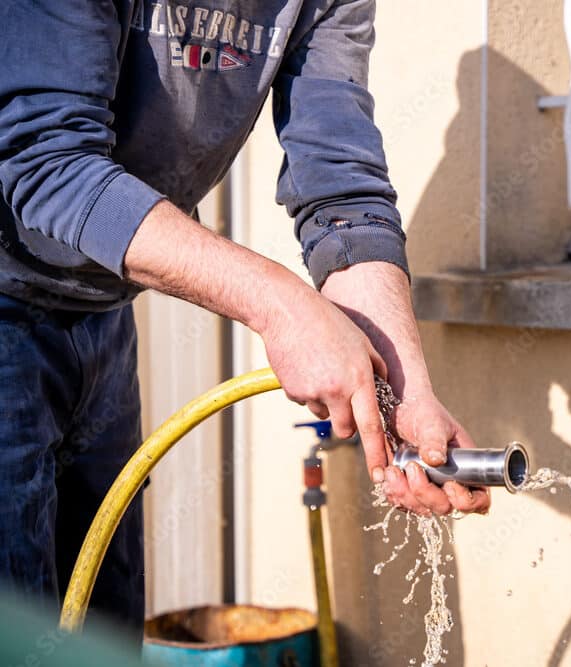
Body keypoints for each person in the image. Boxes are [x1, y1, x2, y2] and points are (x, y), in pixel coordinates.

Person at [0, 0, 490, 634]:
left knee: (102, 637)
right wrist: (283, 305)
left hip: (102, 310)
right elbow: (48, 165)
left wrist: (405, 390)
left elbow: (341, 191)